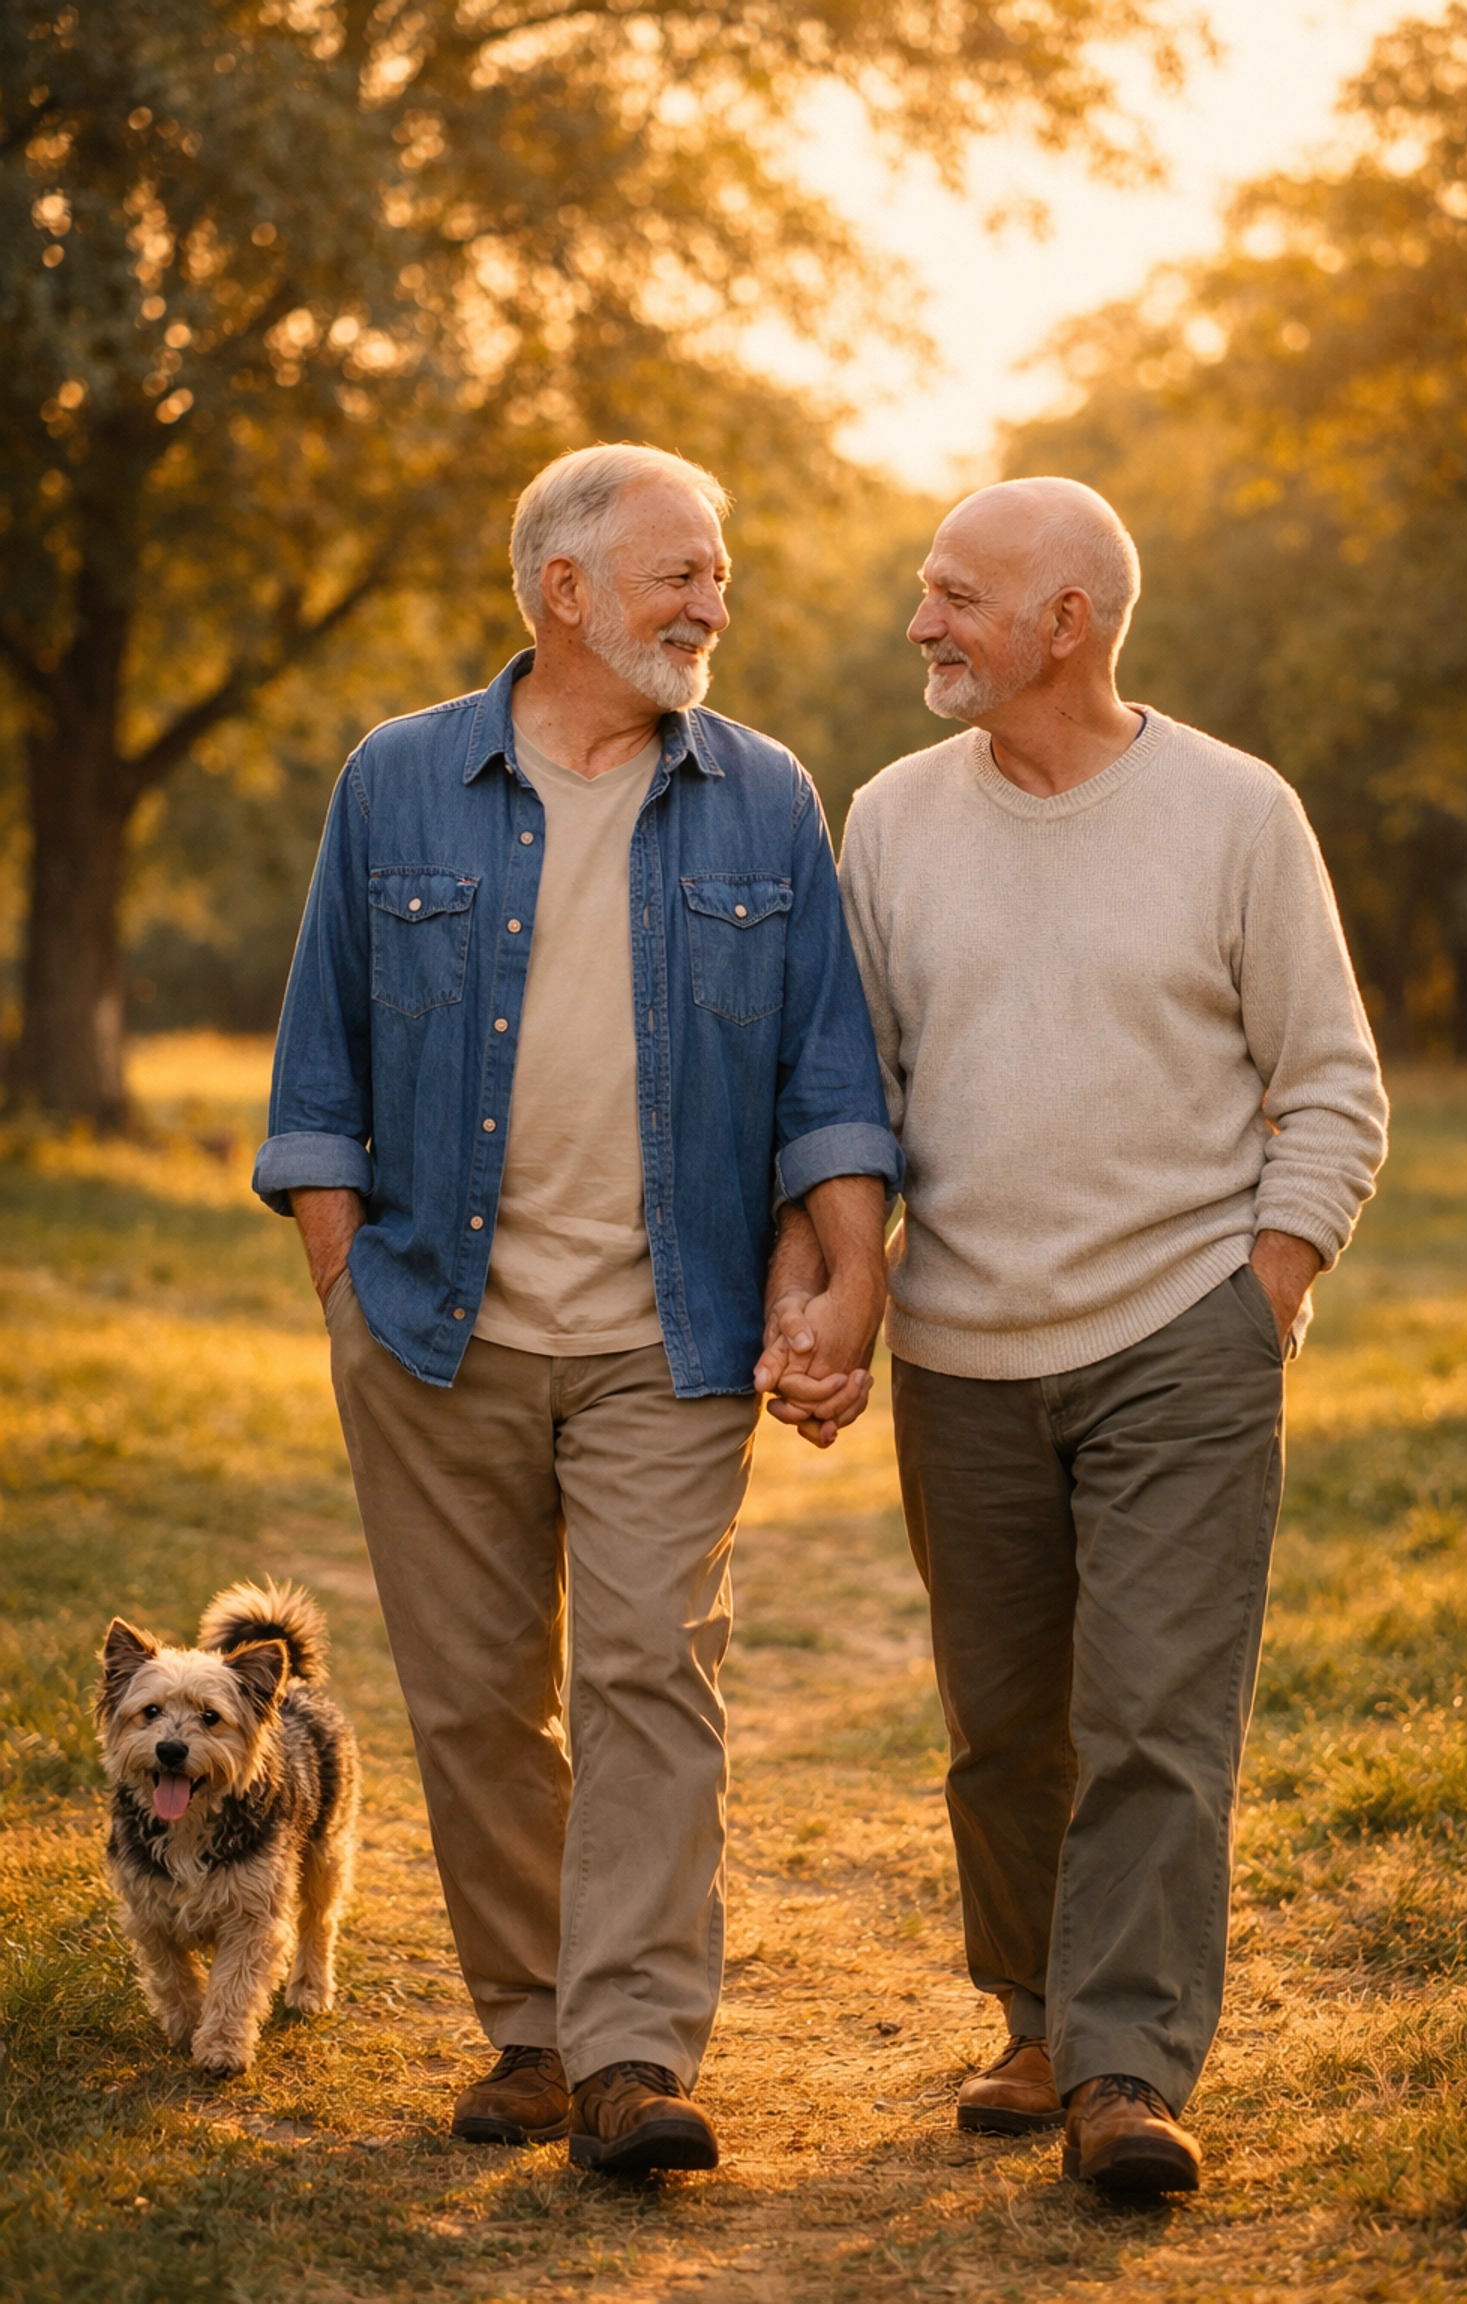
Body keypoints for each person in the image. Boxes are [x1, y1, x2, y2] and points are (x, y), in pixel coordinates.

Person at [253, 443, 898, 2174]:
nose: (714, 602)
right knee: (473, 1701)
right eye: (681, 571)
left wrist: (850, 1274)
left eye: (719, 570)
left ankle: (629, 2054)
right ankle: (528, 2033)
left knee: (644, 1672)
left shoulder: (764, 794)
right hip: (431, 1324)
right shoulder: (396, 781)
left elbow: (828, 1071)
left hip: (666, 1333)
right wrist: (346, 1295)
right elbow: (319, 1071)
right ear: (564, 591)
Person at [832, 476, 1388, 2194]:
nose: (921, 622)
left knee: (1154, 1716)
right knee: (1004, 1722)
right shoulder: (892, 819)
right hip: (962, 1345)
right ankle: (1034, 2018)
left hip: (1181, 1338)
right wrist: (840, 1287)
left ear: (1065, 621)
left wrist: (1265, 1290)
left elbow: (1332, 1087)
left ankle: (1127, 2069)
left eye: (955, 595)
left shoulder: (1233, 811)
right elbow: (852, 1097)